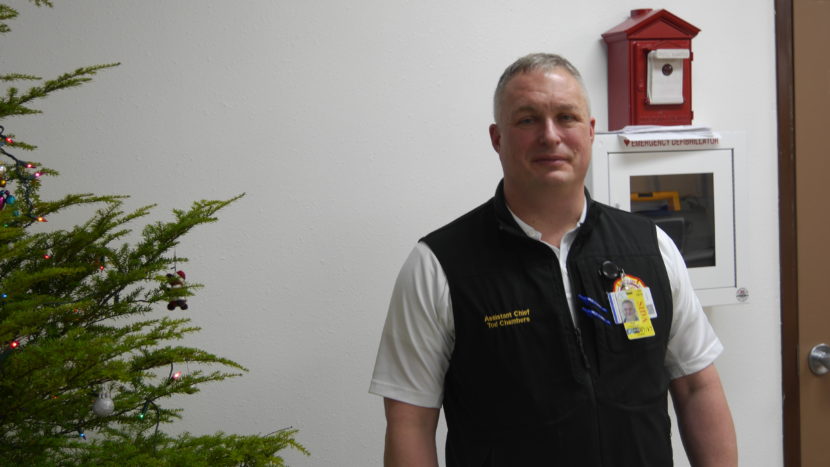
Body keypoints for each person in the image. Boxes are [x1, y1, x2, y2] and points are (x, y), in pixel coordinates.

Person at [370, 53, 737, 466]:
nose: (550, 135)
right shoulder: (438, 266)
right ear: (497, 138)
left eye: (567, 117)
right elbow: (409, 422)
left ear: (591, 131)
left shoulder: (651, 247)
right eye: (527, 120)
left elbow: (696, 388)